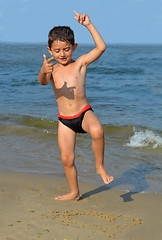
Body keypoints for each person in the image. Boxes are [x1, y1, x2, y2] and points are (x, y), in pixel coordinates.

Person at [38, 11, 114, 200]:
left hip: (83, 113)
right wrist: (43, 70)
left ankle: (99, 166)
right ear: (49, 50)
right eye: (57, 51)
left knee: (97, 130)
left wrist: (88, 24)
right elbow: (43, 82)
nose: (62, 54)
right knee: (67, 159)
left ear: (74, 47)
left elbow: (101, 47)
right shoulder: (52, 69)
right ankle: (74, 192)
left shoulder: (80, 63)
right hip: (65, 121)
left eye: (66, 49)